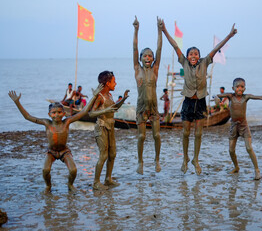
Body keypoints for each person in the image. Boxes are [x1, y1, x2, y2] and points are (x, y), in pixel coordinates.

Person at [8, 84, 115, 193]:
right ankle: (48, 186)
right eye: (54, 113)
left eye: (59, 112)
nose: (57, 115)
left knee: (73, 170)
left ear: (64, 113)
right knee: (45, 170)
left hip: (64, 151)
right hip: (51, 152)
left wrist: (94, 96)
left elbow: (83, 112)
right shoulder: (46, 123)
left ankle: (70, 184)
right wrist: (17, 102)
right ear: (49, 114)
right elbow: (28, 116)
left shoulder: (67, 122)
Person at [162, 21, 237, 175]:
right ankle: (185, 159)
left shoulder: (205, 62)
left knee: (198, 133)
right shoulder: (184, 62)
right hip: (188, 102)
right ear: (187, 57)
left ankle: (195, 159)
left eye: (196, 53)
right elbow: (175, 46)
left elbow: (216, 48)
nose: (194, 56)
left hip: (201, 102)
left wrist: (229, 35)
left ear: (200, 56)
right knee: (185, 133)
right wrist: (164, 30)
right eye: (191, 54)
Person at [217, 78, 262, 180]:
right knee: (231, 150)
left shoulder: (246, 97)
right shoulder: (230, 96)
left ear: (245, 88)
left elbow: (261, 97)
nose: (240, 89)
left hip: (244, 126)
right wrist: (218, 100)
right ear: (233, 88)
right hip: (233, 126)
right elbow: (216, 96)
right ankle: (236, 167)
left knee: (249, 148)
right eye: (237, 87)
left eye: (242, 87)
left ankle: (257, 171)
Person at [133, 16, 163, 175]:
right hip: (141, 107)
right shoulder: (137, 70)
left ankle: (157, 159)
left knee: (157, 135)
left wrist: (160, 30)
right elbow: (134, 48)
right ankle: (140, 161)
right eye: (145, 56)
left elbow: (159, 48)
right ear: (140, 58)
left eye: (150, 56)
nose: (148, 58)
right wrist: (136, 30)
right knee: (141, 137)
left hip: (153, 108)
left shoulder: (155, 70)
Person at [90, 71, 129, 190]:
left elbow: (114, 108)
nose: (115, 84)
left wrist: (123, 99)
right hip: (101, 127)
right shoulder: (100, 97)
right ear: (107, 83)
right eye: (113, 82)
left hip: (111, 127)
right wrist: (104, 111)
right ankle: (96, 182)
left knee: (112, 154)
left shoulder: (110, 96)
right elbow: (91, 113)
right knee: (104, 155)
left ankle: (108, 179)